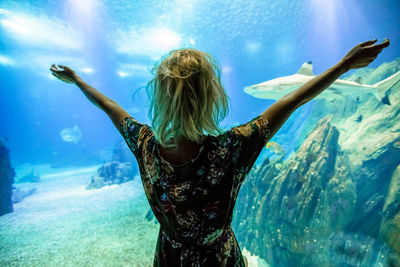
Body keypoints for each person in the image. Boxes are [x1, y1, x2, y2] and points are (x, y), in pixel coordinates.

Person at [50, 38, 390, 267]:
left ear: (159, 97)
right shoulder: (231, 148)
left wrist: (79, 80)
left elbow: (110, 107)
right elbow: (292, 100)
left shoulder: (145, 145)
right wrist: (343, 65)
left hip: (170, 256)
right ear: (212, 97)